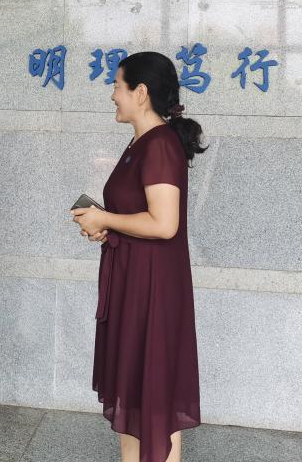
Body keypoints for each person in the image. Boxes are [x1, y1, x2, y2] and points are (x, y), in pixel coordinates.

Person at [72, 51, 207, 462]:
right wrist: (106, 225)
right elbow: (139, 214)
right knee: (134, 391)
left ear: (141, 92)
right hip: (134, 280)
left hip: (152, 288)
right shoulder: (141, 142)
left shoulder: (160, 145)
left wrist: (105, 218)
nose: (112, 94)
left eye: (117, 86)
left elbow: (164, 224)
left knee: (155, 394)